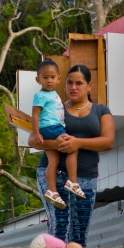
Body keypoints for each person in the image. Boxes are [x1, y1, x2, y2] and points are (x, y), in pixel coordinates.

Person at [28, 64, 115, 246]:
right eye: (69, 83)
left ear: (89, 85)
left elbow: (108, 141)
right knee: (59, 227)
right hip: (55, 174)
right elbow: (33, 141)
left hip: (86, 177)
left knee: (80, 232)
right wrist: (61, 144)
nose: (73, 87)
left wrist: (78, 142)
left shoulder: (101, 110)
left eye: (79, 83)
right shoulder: (56, 106)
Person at [31, 59, 84, 210]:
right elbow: (35, 115)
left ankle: (52, 191)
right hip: (52, 129)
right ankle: (72, 181)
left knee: (52, 161)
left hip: (51, 129)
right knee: (73, 147)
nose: (49, 81)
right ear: (38, 79)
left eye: (52, 77)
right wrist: (35, 133)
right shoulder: (40, 95)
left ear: (58, 78)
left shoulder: (54, 94)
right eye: (45, 77)